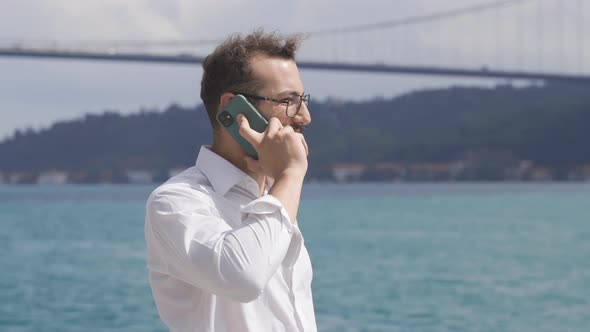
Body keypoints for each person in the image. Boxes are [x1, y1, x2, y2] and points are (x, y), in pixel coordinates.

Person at [145, 30, 317, 332]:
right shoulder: (175, 202)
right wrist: (290, 174)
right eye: (288, 100)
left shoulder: (274, 195)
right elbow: (244, 277)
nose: (304, 116)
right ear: (233, 109)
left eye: (302, 100)